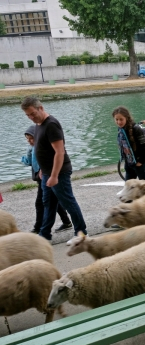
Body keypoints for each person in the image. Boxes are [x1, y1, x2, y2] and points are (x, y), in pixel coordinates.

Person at [20, 96, 87, 242]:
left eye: (33, 113)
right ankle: (44, 235)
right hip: (47, 172)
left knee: (68, 202)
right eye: (28, 115)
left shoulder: (51, 124)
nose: (31, 117)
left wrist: (55, 175)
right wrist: (43, 170)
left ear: (41, 108)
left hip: (59, 172)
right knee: (48, 203)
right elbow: (42, 148)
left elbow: (59, 151)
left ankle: (81, 233)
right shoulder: (39, 124)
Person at [21, 125, 72, 234]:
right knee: (53, 200)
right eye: (27, 139)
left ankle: (38, 228)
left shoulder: (43, 146)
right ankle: (66, 222)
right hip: (41, 178)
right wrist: (25, 159)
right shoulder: (31, 148)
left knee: (40, 203)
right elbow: (30, 161)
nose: (29, 141)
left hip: (46, 176)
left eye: (32, 138)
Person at [113, 106, 145, 181]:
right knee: (128, 187)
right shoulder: (121, 130)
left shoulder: (136, 129)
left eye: (121, 119)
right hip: (129, 163)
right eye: (116, 119)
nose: (119, 122)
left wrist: (140, 162)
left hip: (140, 163)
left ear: (126, 118)